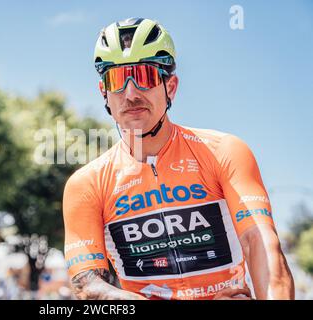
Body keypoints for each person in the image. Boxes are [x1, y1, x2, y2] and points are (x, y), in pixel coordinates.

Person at [62, 17, 295, 300]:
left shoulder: (223, 152)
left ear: (170, 87)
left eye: (145, 77)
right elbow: (88, 286)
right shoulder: (86, 184)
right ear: (105, 93)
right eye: (117, 80)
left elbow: (260, 242)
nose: (131, 93)